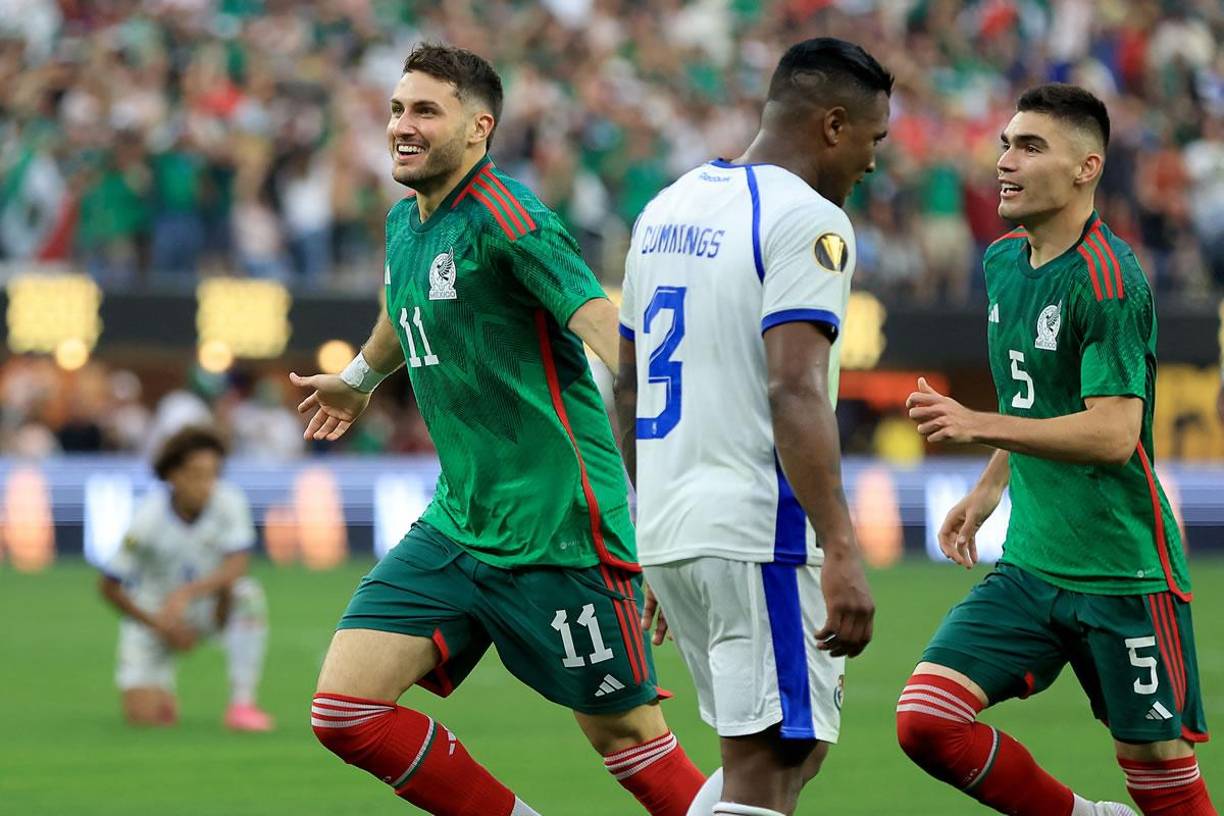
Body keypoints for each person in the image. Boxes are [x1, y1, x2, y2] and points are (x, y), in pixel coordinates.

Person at [290, 42, 705, 816]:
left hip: (562, 534)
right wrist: (358, 380)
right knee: (344, 711)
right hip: (460, 524)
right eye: (395, 109)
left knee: (628, 743)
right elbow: (400, 307)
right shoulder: (404, 223)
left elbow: (605, 328)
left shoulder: (511, 220)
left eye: (424, 111)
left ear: (479, 128)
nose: (400, 127)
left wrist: (665, 432)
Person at [897, 84, 1215, 816]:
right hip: (1032, 566)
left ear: (1086, 169)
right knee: (926, 722)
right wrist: (987, 491)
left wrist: (978, 426)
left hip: (1122, 571)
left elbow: (1111, 434)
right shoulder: (1004, 261)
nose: (1004, 160)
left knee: (1160, 777)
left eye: (1030, 146)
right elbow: (1033, 399)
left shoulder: (1111, 281)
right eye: (1006, 143)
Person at [614, 38, 890, 816]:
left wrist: (652, 526)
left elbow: (629, 384)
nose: (872, 163)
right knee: (769, 769)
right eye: (873, 140)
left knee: (786, 754)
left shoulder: (663, 209)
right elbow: (795, 386)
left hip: (677, 528)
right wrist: (841, 544)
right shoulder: (808, 219)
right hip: (759, 532)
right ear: (834, 126)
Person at [98, 425, 272, 731]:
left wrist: (188, 593)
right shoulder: (147, 518)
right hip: (157, 615)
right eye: (196, 474)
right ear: (173, 476)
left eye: (213, 474)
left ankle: (242, 704)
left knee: (248, 594)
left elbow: (238, 565)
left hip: (209, 608)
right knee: (145, 720)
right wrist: (160, 626)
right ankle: (161, 691)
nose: (207, 484)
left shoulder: (228, 501)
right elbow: (109, 586)